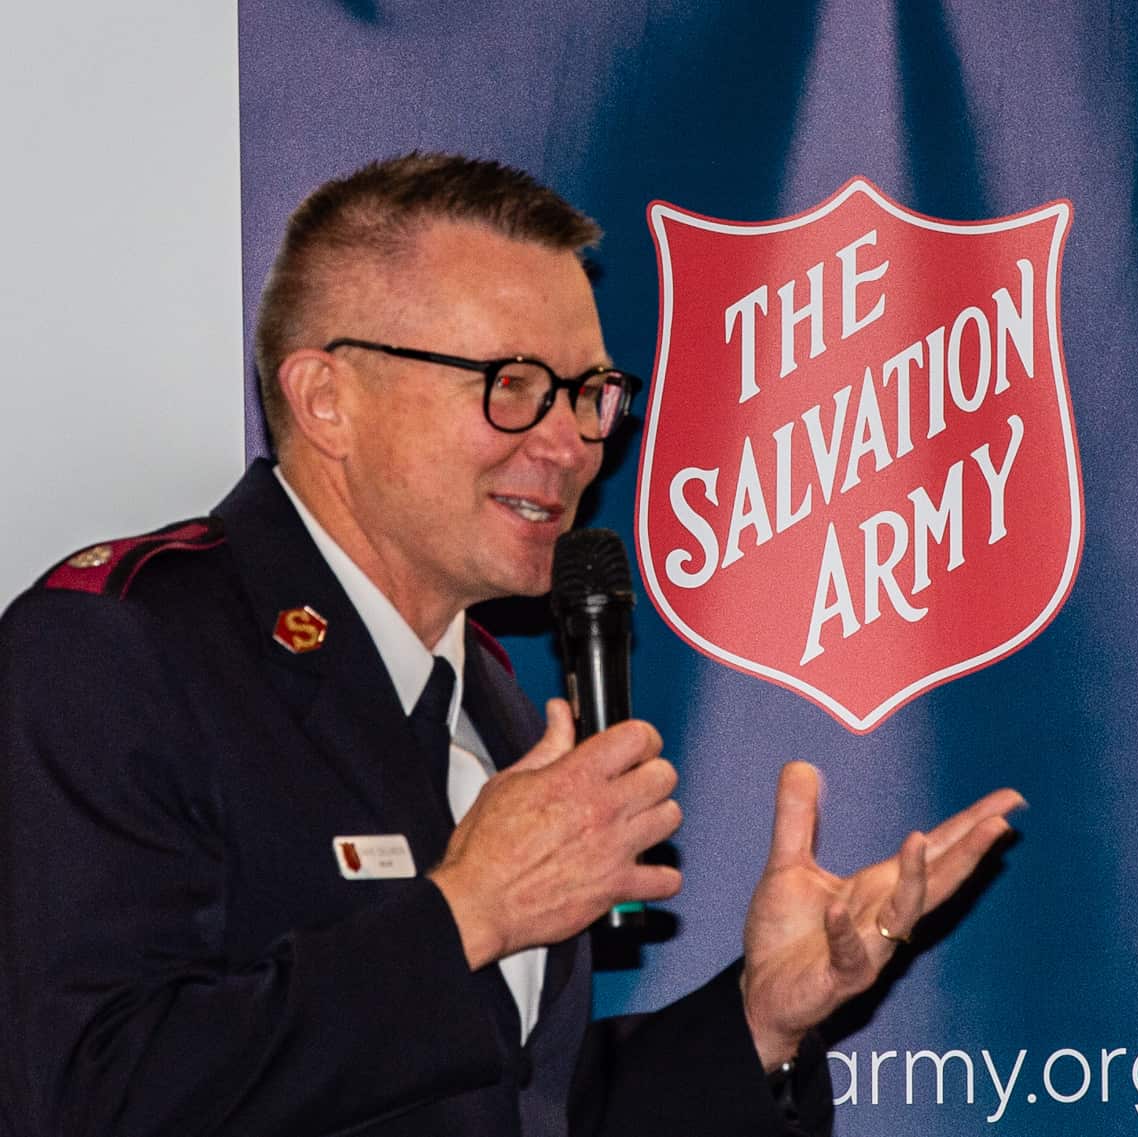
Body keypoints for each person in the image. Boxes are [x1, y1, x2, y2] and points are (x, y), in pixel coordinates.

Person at [0, 153, 1022, 1137]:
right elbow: (88, 1094)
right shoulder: (118, 651)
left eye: (589, 394)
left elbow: (518, 1107)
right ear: (327, 400)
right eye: (513, 383)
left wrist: (762, 1020)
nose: (572, 443)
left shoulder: (489, 696)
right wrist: (467, 915)